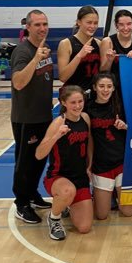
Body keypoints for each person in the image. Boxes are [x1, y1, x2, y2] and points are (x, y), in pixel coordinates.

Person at [11, 9, 53, 224]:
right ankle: (21, 202)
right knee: (25, 163)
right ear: (27, 27)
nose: (42, 28)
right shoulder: (23, 51)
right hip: (26, 118)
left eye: (45, 24)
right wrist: (35, 59)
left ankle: (33, 194)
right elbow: (18, 82)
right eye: (37, 24)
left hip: (44, 116)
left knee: (39, 160)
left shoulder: (45, 49)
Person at [36, 85, 93, 240]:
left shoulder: (85, 118)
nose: (77, 106)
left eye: (80, 101)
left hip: (80, 178)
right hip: (58, 177)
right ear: (64, 103)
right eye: (73, 102)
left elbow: (89, 144)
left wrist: (89, 166)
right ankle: (54, 218)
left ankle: (65, 205)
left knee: (84, 227)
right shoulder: (58, 122)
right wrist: (56, 136)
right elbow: (39, 154)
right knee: (67, 191)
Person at [86, 72, 132, 219]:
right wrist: (88, 164)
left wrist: (126, 127)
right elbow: (88, 140)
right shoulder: (87, 109)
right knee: (101, 215)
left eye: (109, 86)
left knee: (128, 212)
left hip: (122, 163)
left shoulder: (122, 106)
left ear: (114, 88)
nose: (105, 90)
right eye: (101, 86)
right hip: (101, 166)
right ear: (94, 87)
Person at [57, 5, 101, 94]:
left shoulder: (99, 44)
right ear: (79, 22)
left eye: (95, 23)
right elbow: (63, 77)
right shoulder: (66, 44)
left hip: (93, 97)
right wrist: (79, 56)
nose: (92, 26)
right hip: (73, 97)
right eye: (89, 22)